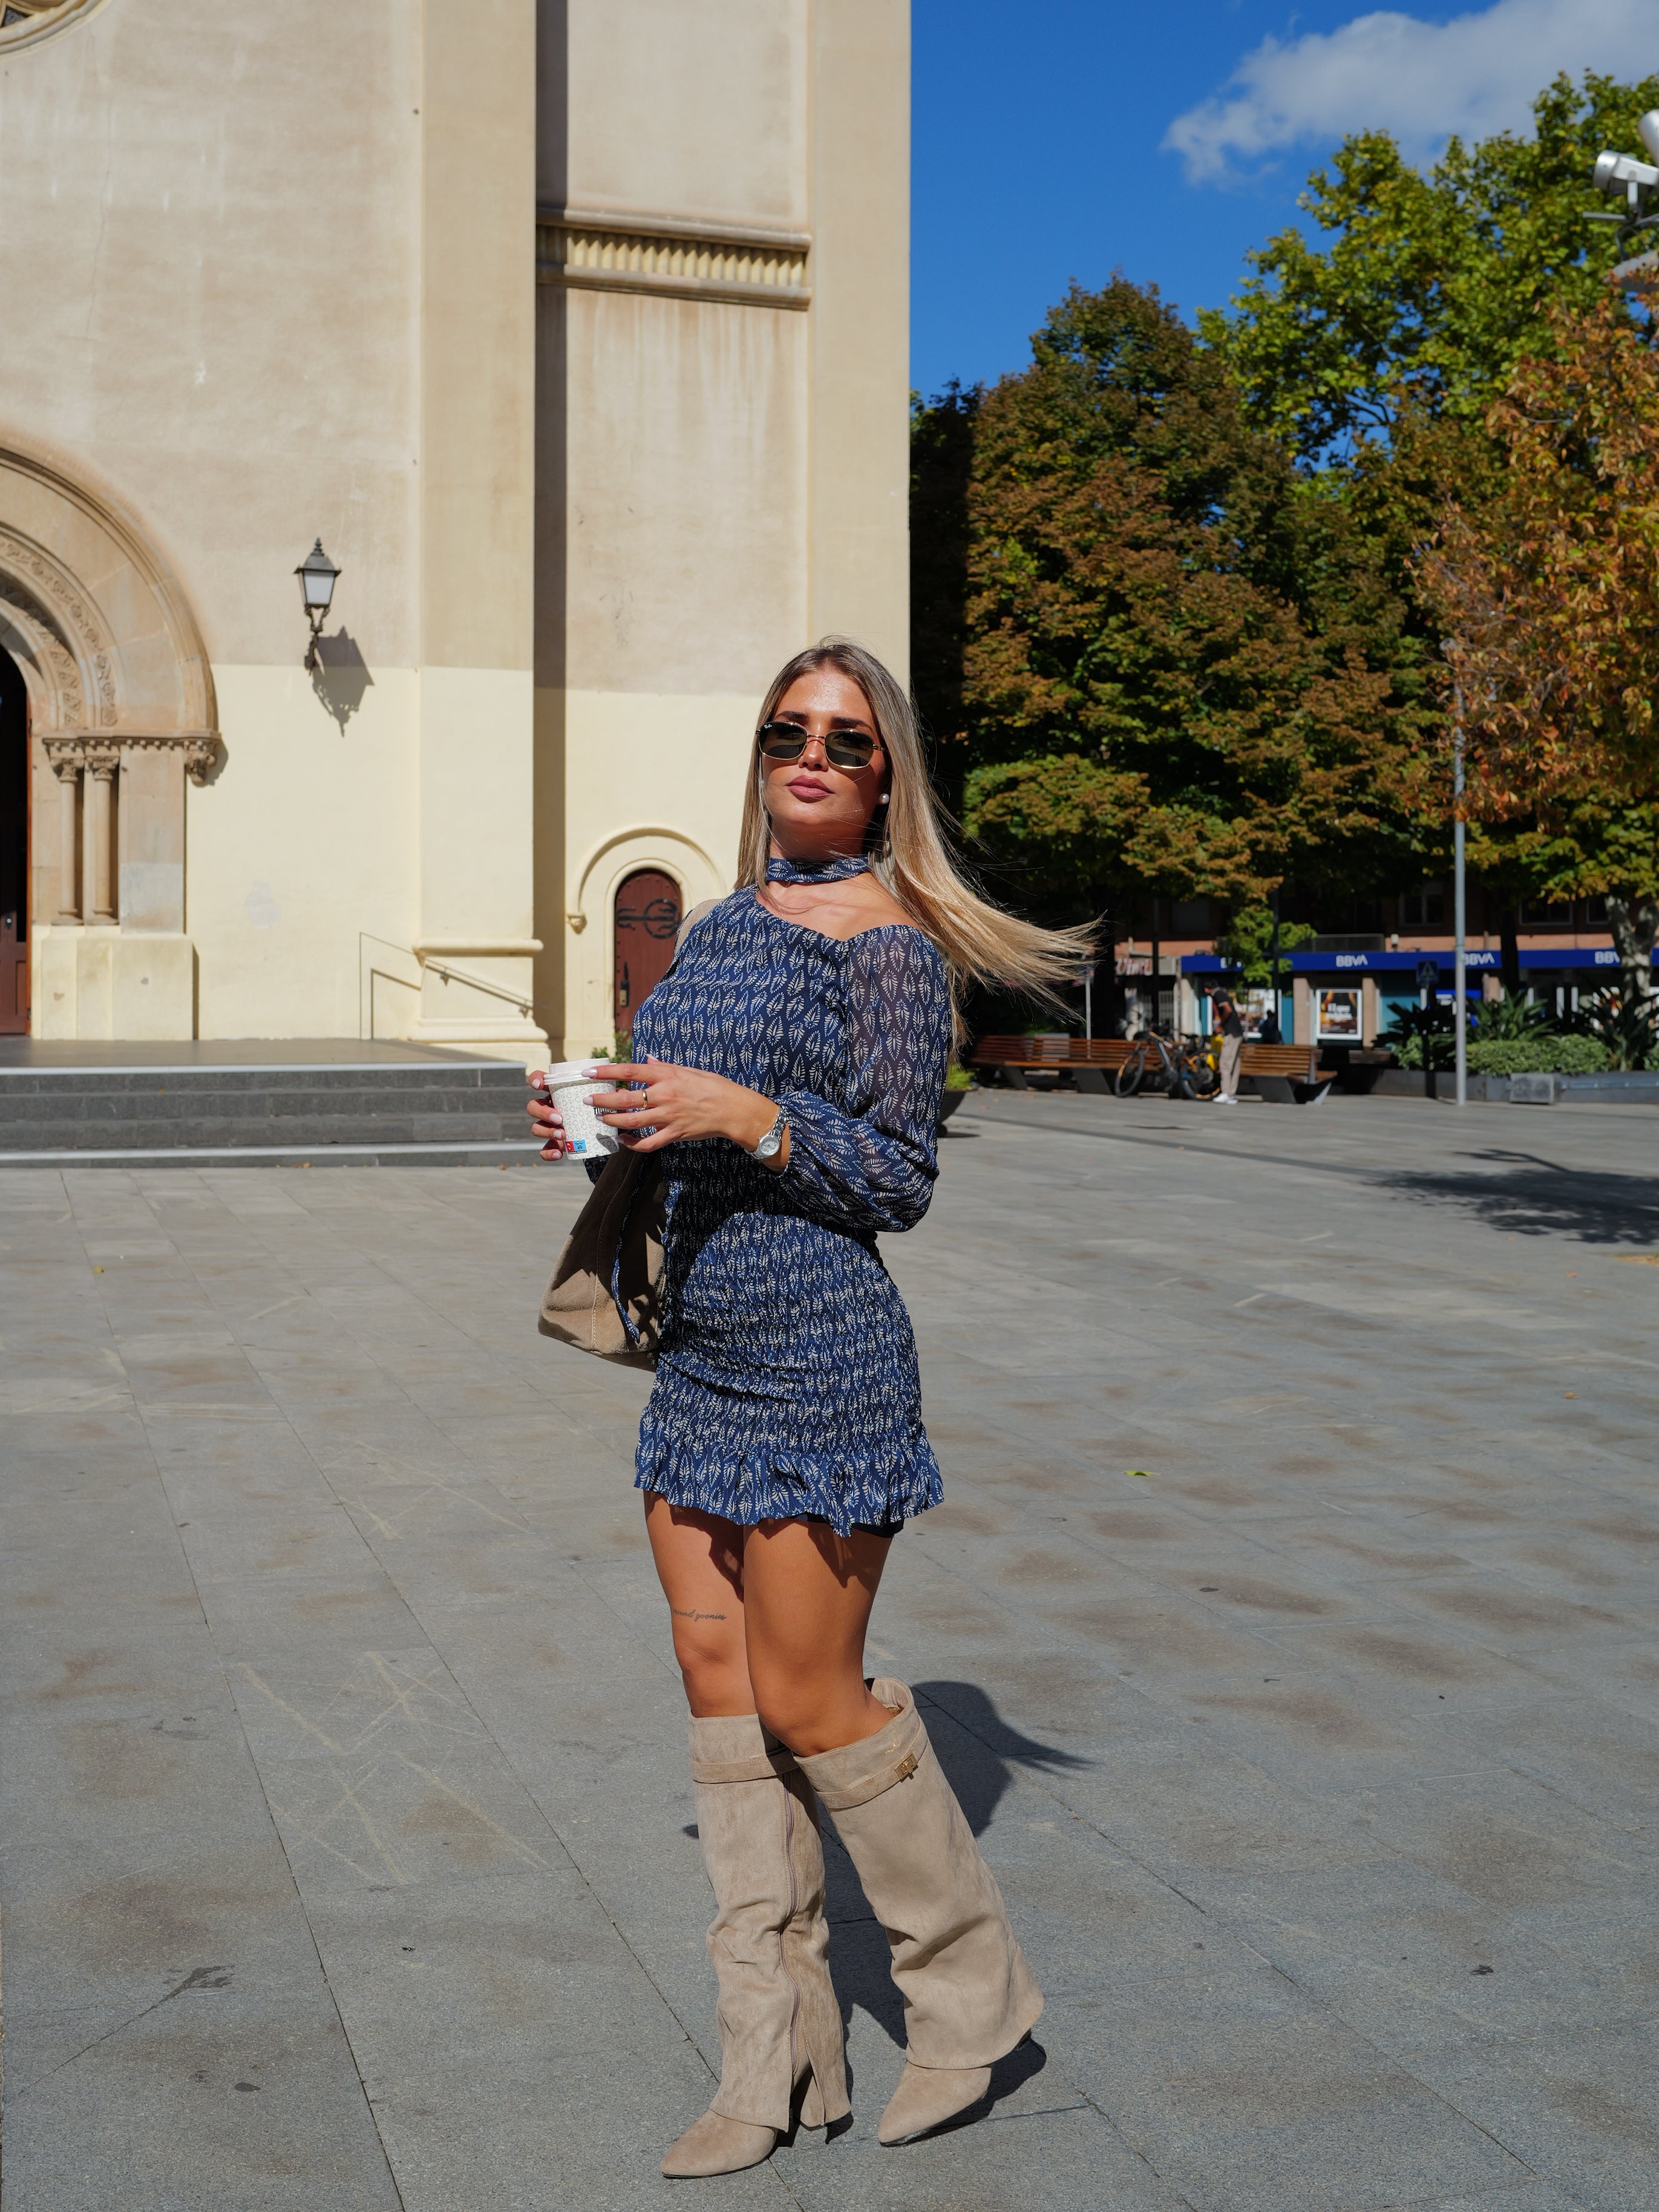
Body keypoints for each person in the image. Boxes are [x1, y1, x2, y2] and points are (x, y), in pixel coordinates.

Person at [528, 639, 1091, 2177]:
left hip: (821, 1358)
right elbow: (671, 1134)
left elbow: (896, 1178)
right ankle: (772, 2057)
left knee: (809, 1703)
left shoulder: (891, 946)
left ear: (886, 774)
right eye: (788, 730)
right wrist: (602, 1122)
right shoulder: (713, 925)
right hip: (698, 1350)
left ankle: (970, 2002)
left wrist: (748, 1112)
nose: (811, 756)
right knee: (721, 1714)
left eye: (846, 741)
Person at [1214, 990, 1245, 1104]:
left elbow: (1227, 1009)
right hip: (1238, 1034)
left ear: (1207, 989)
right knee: (1235, 1065)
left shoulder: (1218, 994)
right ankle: (1231, 1094)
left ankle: (1226, 1092)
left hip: (1231, 1034)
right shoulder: (1223, 993)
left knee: (1225, 1064)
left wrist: (1221, 1026)